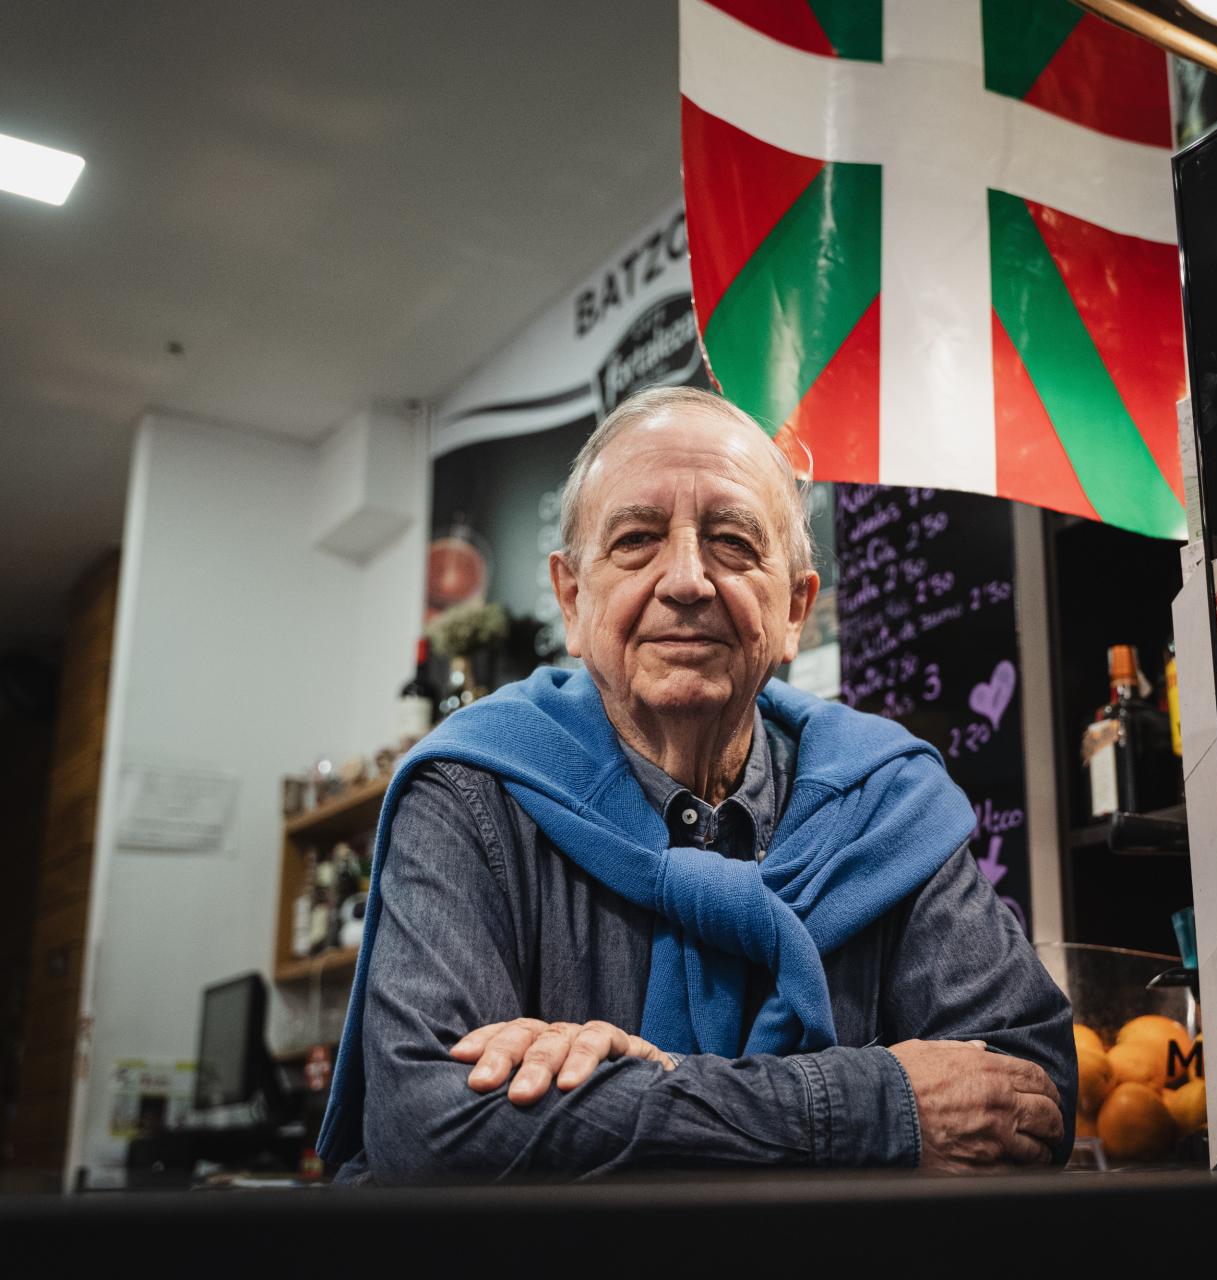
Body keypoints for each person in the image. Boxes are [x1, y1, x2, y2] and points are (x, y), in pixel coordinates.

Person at [318, 386, 1074, 1181]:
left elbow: (1029, 1098)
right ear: (572, 600)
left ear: (795, 611)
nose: (686, 580)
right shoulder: (473, 791)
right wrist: (868, 1106)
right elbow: (428, 1128)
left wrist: (641, 1095)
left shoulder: (885, 799)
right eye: (638, 538)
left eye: (733, 543)